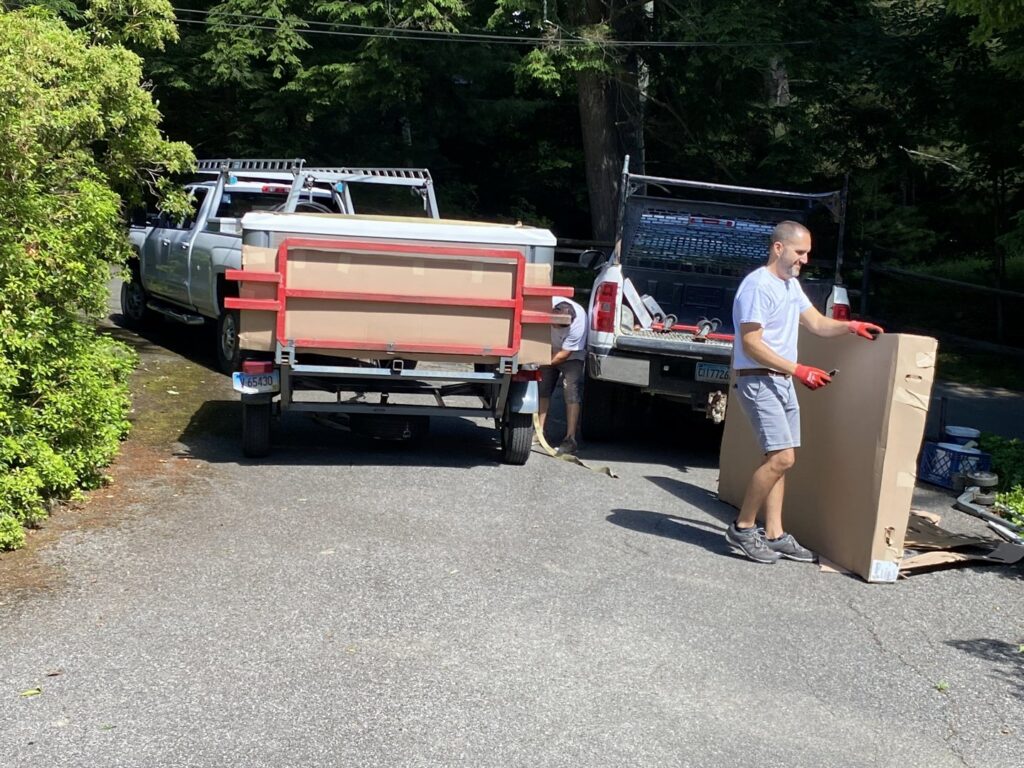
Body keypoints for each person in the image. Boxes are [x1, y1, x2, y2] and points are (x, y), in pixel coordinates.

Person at [726, 220, 884, 564]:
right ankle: (742, 527)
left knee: (778, 461)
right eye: (800, 252)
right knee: (783, 458)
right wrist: (799, 370)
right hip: (759, 380)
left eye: (808, 253)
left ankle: (775, 534)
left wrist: (850, 326)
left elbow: (815, 323)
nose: (805, 260)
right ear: (778, 248)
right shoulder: (757, 286)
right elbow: (751, 345)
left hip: (781, 381)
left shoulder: (790, 286)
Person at [538, 295, 588, 455]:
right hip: (547, 348)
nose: (557, 330)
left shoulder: (578, 324)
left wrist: (540, 362)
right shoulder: (545, 304)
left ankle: (570, 438)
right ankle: (539, 432)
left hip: (572, 356)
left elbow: (564, 355)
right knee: (542, 387)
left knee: (570, 389)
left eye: (561, 327)